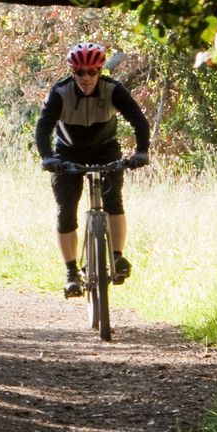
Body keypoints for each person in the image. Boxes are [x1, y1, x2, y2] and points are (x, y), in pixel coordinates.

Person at [34, 42, 152, 297]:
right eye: (80, 72)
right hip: (68, 152)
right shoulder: (60, 92)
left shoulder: (113, 90)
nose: (86, 78)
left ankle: (117, 257)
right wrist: (47, 157)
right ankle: (71, 272)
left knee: (113, 201)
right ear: (72, 72)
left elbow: (138, 120)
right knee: (66, 209)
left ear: (100, 71)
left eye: (92, 72)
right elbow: (43, 127)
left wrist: (141, 152)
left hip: (104, 149)